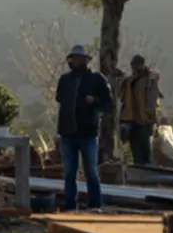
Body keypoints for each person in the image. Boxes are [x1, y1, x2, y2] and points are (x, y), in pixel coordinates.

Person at [56, 44, 113, 210]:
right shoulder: (64, 80)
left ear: (86, 60)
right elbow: (59, 98)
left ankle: (95, 205)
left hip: (87, 133)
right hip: (66, 134)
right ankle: (69, 207)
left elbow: (108, 104)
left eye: (80, 58)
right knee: (69, 173)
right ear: (71, 60)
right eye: (74, 58)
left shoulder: (97, 79)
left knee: (91, 172)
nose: (77, 61)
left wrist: (94, 100)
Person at [116, 54, 161, 166]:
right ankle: (139, 166)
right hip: (131, 119)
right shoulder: (129, 80)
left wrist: (150, 113)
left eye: (137, 65)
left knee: (145, 145)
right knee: (135, 146)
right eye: (133, 65)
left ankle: (150, 168)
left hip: (145, 119)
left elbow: (152, 97)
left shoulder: (150, 79)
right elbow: (121, 96)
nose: (135, 67)